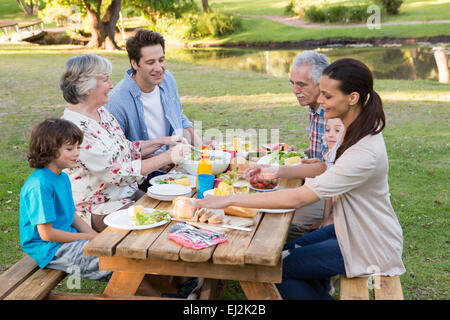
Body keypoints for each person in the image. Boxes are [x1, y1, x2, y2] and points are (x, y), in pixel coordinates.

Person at [195, 58, 406, 299]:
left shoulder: (364, 151)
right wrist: (277, 171)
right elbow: (329, 167)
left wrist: (228, 200)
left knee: (274, 267)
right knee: (281, 253)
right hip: (349, 229)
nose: (320, 101)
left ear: (353, 98)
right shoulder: (354, 126)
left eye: (327, 96)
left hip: (368, 243)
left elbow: (298, 198)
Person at [60, 54, 191, 232]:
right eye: (105, 80)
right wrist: (167, 156)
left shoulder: (101, 113)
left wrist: (163, 141)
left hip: (126, 195)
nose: (111, 85)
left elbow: (126, 148)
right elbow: (117, 173)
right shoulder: (74, 130)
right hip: (99, 209)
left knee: (176, 211)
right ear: (87, 87)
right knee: (162, 228)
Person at [106, 29, 211, 191]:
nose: (159, 68)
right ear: (135, 63)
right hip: (144, 176)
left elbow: (180, 117)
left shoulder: (167, 79)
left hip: (176, 164)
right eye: (150, 63)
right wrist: (162, 159)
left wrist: (201, 149)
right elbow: (120, 154)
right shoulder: (117, 101)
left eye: (161, 60)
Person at [19, 118, 111, 281]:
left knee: (119, 251)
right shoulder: (39, 185)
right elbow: (47, 234)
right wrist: (86, 237)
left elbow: (71, 215)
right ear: (48, 150)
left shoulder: (62, 177)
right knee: (118, 263)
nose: (77, 153)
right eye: (70, 148)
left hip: (66, 240)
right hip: (50, 249)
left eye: (78, 147)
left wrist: (95, 235)